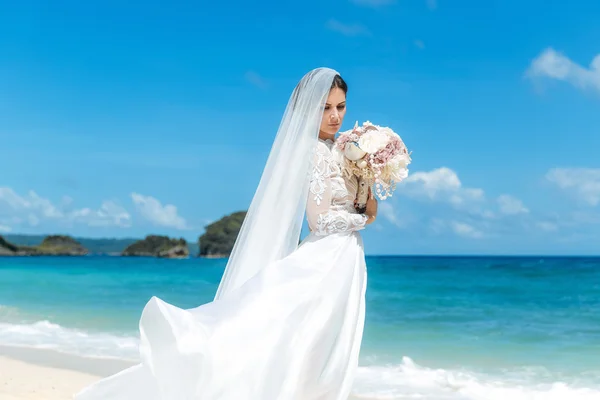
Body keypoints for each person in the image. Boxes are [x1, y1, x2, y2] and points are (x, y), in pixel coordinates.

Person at [74, 67, 378, 400]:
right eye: (325, 108)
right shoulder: (315, 152)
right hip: (324, 258)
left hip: (342, 259)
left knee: (313, 343)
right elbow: (319, 221)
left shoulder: (339, 150)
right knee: (307, 342)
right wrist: (362, 220)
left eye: (341, 106)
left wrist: (367, 179)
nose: (335, 116)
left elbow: (357, 205)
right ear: (308, 109)